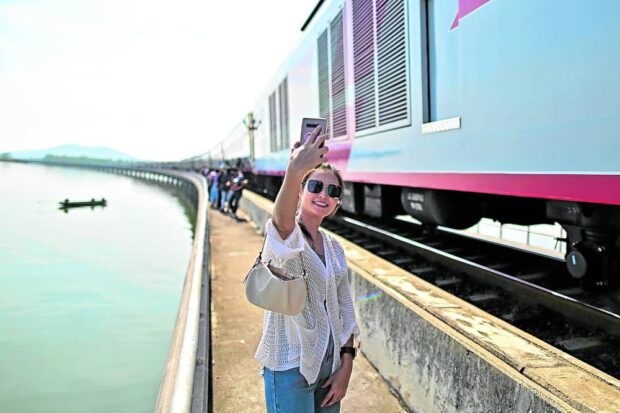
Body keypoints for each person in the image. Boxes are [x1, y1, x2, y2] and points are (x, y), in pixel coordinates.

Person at [255, 126, 360, 412]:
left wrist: (346, 367)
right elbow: (281, 224)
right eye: (315, 186)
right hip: (290, 366)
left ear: (337, 202)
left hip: (332, 366)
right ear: (301, 191)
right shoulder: (288, 238)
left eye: (333, 190)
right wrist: (295, 170)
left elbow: (345, 309)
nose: (323, 194)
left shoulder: (335, 248)